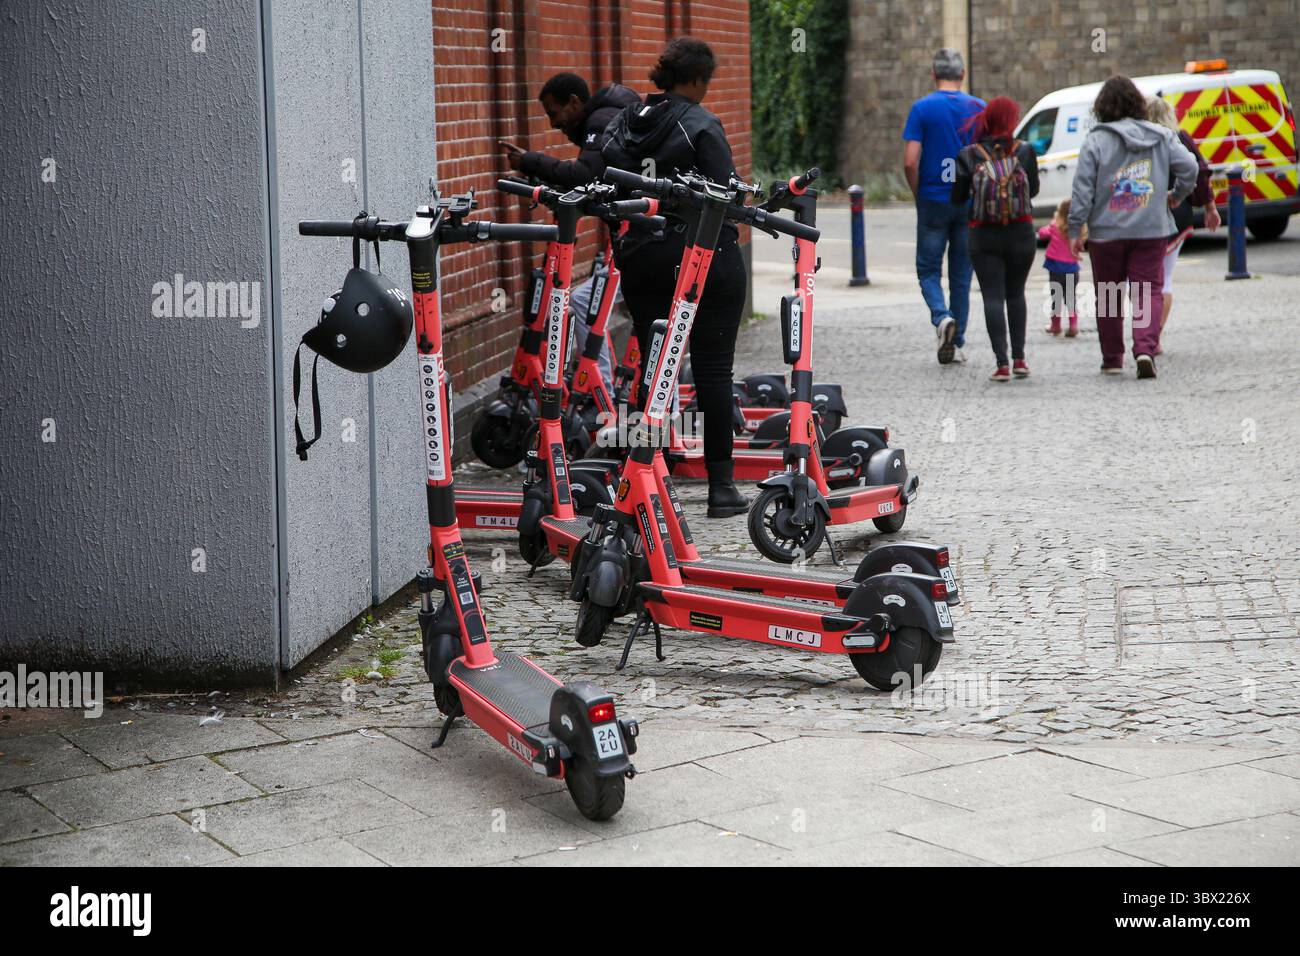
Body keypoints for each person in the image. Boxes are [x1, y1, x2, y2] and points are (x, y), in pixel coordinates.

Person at [600, 37, 749, 517]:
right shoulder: (701, 123)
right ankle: (721, 487)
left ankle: (650, 474)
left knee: (653, 366)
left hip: (643, 258)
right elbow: (727, 194)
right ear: (696, 80)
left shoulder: (625, 122)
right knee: (712, 369)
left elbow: (603, 181)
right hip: (701, 259)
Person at [498, 73, 641, 393]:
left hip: (643, 240)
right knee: (596, 304)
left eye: (554, 113)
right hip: (635, 237)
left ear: (574, 103)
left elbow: (584, 175)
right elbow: (592, 181)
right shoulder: (607, 119)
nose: (553, 124)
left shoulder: (601, 121)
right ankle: (606, 393)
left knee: (582, 301)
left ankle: (600, 393)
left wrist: (531, 161)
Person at [1068, 75, 1197, 379]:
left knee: (1109, 293)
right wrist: (1176, 196)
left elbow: (1083, 189)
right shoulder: (1162, 136)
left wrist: (1076, 228)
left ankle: (1113, 358)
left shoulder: (1095, 140)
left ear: (1102, 107)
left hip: (1105, 231)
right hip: (1150, 227)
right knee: (1148, 290)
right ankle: (1144, 349)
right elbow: (1190, 167)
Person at [903, 48, 986, 365]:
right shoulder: (979, 108)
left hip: (933, 199)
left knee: (927, 269)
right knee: (962, 274)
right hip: (969, 201)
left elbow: (910, 161)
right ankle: (958, 340)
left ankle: (941, 318)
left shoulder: (922, 109)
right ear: (962, 75)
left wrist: (918, 192)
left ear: (934, 74)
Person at [950, 96, 1040, 381]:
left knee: (992, 296)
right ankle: (1020, 360)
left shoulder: (968, 154)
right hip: (1021, 233)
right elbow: (1033, 190)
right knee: (1016, 294)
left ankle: (1001, 364)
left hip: (983, 234)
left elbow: (958, 197)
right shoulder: (1025, 152)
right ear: (1012, 120)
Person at [1146, 95, 1220, 354]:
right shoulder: (1180, 139)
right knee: (1164, 280)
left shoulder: (1140, 141)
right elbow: (1199, 171)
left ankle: (1145, 336)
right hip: (1178, 214)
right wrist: (1209, 207)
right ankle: (1155, 337)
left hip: (1144, 217)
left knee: (1145, 280)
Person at [1038, 200, 1084, 337]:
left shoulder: (1054, 226)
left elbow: (1041, 233)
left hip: (1056, 268)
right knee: (1071, 298)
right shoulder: (1077, 230)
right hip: (1072, 269)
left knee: (1056, 298)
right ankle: (1073, 325)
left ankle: (1056, 326)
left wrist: (1051, 223)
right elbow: (1081, 246)